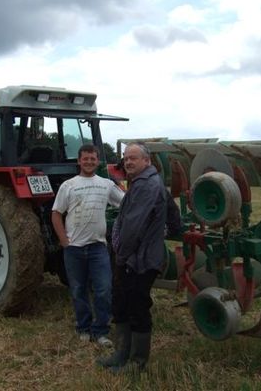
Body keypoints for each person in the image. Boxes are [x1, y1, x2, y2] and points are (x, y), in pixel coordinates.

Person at [97, 142, 166, 373]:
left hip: (140, 259)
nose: (128, 161)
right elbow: (171, 211)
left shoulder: (147, 186)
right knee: (123, 303)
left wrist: (120, 256)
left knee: (137, 307)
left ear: (147, 161)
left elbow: (132, 228)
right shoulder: (142, 183)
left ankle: (137, 363)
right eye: (126, 158)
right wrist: (171, 226)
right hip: (134, 256)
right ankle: (121, 354)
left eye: (133, 158)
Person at [52, 144, 125, 346]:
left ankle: (101, 330)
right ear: (79, 161)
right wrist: (63, 241)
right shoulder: (69, 185)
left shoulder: (106, 184)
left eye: (93, 159)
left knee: (103, 289)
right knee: (78, 290)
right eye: (86, 159)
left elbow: (125, 202)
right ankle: (83, 327)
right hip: (74, 249)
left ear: (98, 161)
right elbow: (56, 213)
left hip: (97, 247)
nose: (89, 162)